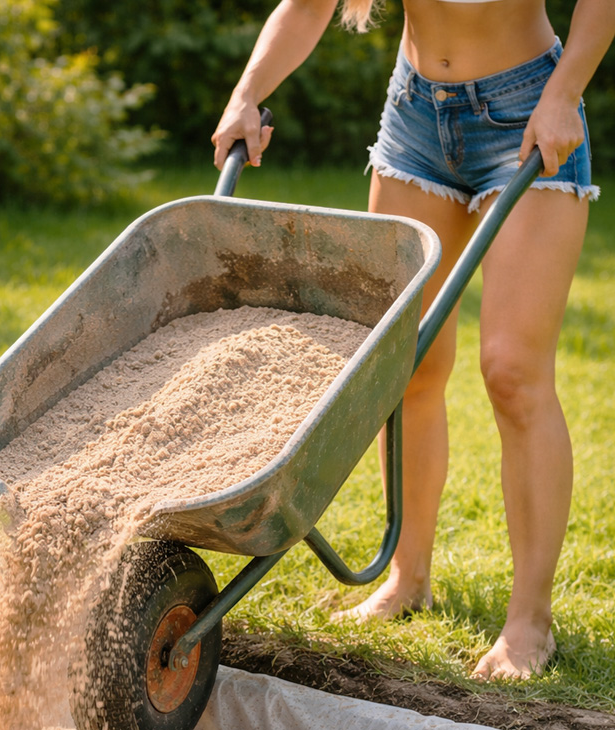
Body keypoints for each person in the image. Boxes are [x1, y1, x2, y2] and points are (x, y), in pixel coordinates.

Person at [212, 0, 615, 680]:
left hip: (530, 109)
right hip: (416, 118)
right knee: (408, 364)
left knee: (513, 372)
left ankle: (529, 621)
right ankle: (408, 578)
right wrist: (246, 96)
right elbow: (310, 5)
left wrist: (563, 95)